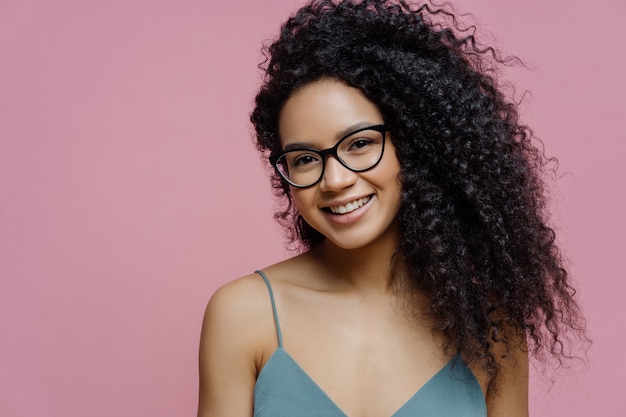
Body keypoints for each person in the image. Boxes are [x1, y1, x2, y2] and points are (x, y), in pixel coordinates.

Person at [197, 0, 586, 416]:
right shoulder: (243, 315)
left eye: (360, 144)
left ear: (414, 144)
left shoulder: (489, 327)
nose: (334, 181)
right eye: (306, 158)